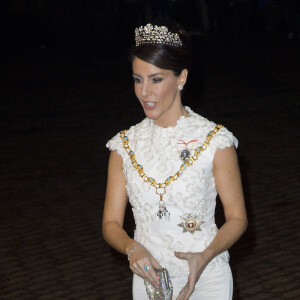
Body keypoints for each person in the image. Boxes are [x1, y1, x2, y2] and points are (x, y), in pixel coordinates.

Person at [102, 22, 247, 300]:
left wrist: (205, 255)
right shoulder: (123, 146)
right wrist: (133, 248)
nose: (144, 92)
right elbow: (110, 223)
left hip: (207, 277)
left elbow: (237, 218)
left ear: (181, 78)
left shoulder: (215, 141)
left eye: (156, 79)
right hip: (149, 280)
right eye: (138, 79)